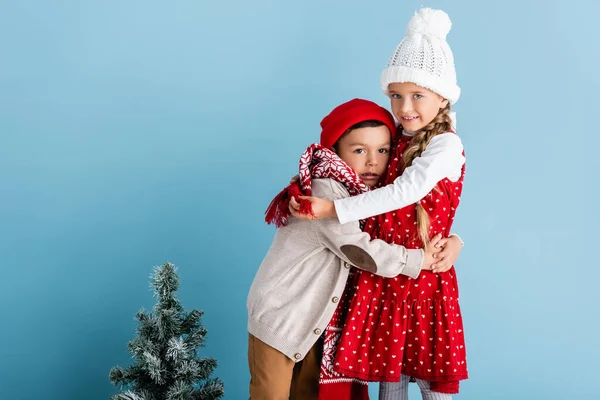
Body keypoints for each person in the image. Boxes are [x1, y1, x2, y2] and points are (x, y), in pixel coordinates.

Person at [291, 8, 469, 399]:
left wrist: (332, 210)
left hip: (422, 281)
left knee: (430, 377)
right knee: (390, 381)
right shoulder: (401, 139)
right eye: (396, 96)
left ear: (442, 97)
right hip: (387, 277)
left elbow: (407, 193)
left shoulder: (445, 145)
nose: (405, 107)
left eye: (417, 95)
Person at [247, 98, 460, 400]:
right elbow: (358, 249)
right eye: (359, 150)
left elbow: (406, 219)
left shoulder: (369, 194)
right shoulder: (326, 191)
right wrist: (419, 260)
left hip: (317, 319)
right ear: (335, 151)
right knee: (272, 395)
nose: (373, 161)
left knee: (307, 393)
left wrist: (455, 240)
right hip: (284, 316)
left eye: (382, 150)